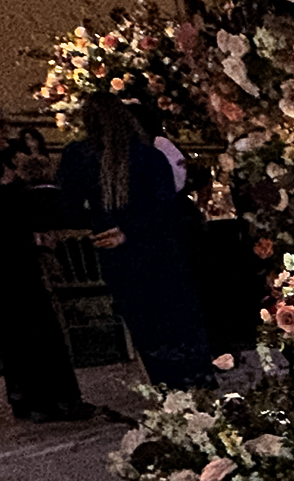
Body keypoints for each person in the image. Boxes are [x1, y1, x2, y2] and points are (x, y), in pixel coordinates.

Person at [57, 94, 214, 389]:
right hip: (158, 248)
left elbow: (69, 205)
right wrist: (133, 229)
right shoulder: (148, 156)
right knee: (176, 320)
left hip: (118, 252)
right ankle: (194, 382)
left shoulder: (78, 156)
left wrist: (102, 221)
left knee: (146, 324)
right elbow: (166, 207)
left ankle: (164, 387)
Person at [0, 87, 91, 422]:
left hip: (7, 252)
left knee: (24, 324)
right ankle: (47, 397)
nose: (1, 133)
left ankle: (37, 396)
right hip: (4, 254)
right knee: (29, 324)